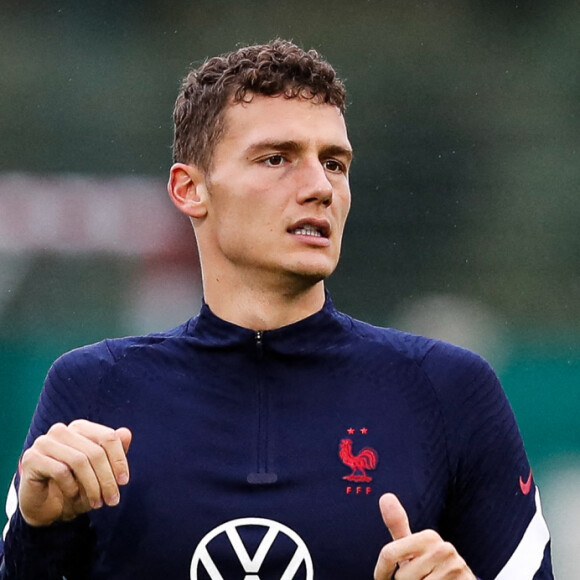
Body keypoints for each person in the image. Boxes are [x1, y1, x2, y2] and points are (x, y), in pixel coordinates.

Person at [0, 39, 552, 579]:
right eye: (276, 158)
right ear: (190, 190)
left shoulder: (450, 391)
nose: (319, 187)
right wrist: (37, 530)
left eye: (335, 163)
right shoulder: (91, 389)